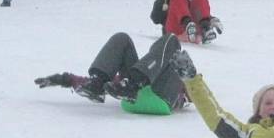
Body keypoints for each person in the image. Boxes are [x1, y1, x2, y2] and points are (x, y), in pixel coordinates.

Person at [35, 32, 187, 113]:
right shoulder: (138, 74)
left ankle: (133, 85)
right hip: (132, 93)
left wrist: (187, 81)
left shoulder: (183, 73)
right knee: (122, 38)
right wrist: (65, 79)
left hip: (161, 98)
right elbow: (113, 82)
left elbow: (198, 94)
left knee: (171, 39)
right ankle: (97, 83)